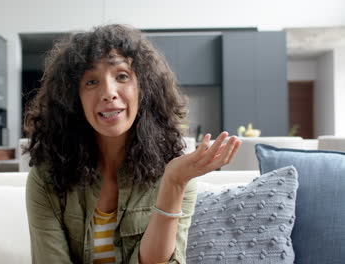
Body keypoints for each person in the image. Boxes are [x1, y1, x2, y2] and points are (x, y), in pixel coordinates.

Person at [24, 24, 242, 264]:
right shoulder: (46, 179)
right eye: (91, 82)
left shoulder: (176, 176)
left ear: (144, 88)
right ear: (73, 99)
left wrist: (173, 184)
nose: (109, 92)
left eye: (122, 76)